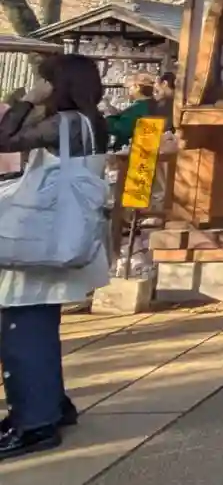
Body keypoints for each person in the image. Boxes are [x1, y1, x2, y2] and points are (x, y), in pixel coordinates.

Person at [0, 54, 110, 461]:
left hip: (40, 240)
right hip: (63, 235)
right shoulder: (91, 121)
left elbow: (4, 140)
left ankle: (35, 422)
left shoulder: (64, 123)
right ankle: (48, 405)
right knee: (40, 326)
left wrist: (27, 101)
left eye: (45, 81)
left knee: (23, 330)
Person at [105, 75, 156, 151]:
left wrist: (103, 121)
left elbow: (121, 127)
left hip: (129, 152)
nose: (129, 91)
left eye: (130, 87)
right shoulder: (153, 104)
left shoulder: (137, 108)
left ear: (137, 87)